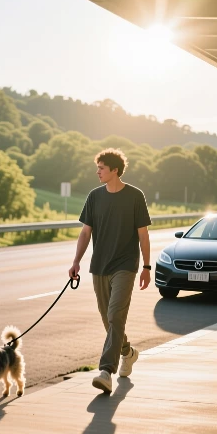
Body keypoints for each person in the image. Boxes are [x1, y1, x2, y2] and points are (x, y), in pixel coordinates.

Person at [68, 148, 151, 393]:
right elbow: (85, 232)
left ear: (115, 170)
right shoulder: (95, 197)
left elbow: (143, 235)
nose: (98, 172)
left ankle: (105, 371)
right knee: (109, 320)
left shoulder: (135, 196)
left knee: (116, 316)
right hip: (99, 266)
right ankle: (128, 352)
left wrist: (146, 266)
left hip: (125, 266)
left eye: (102, 168)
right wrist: (76, 261)